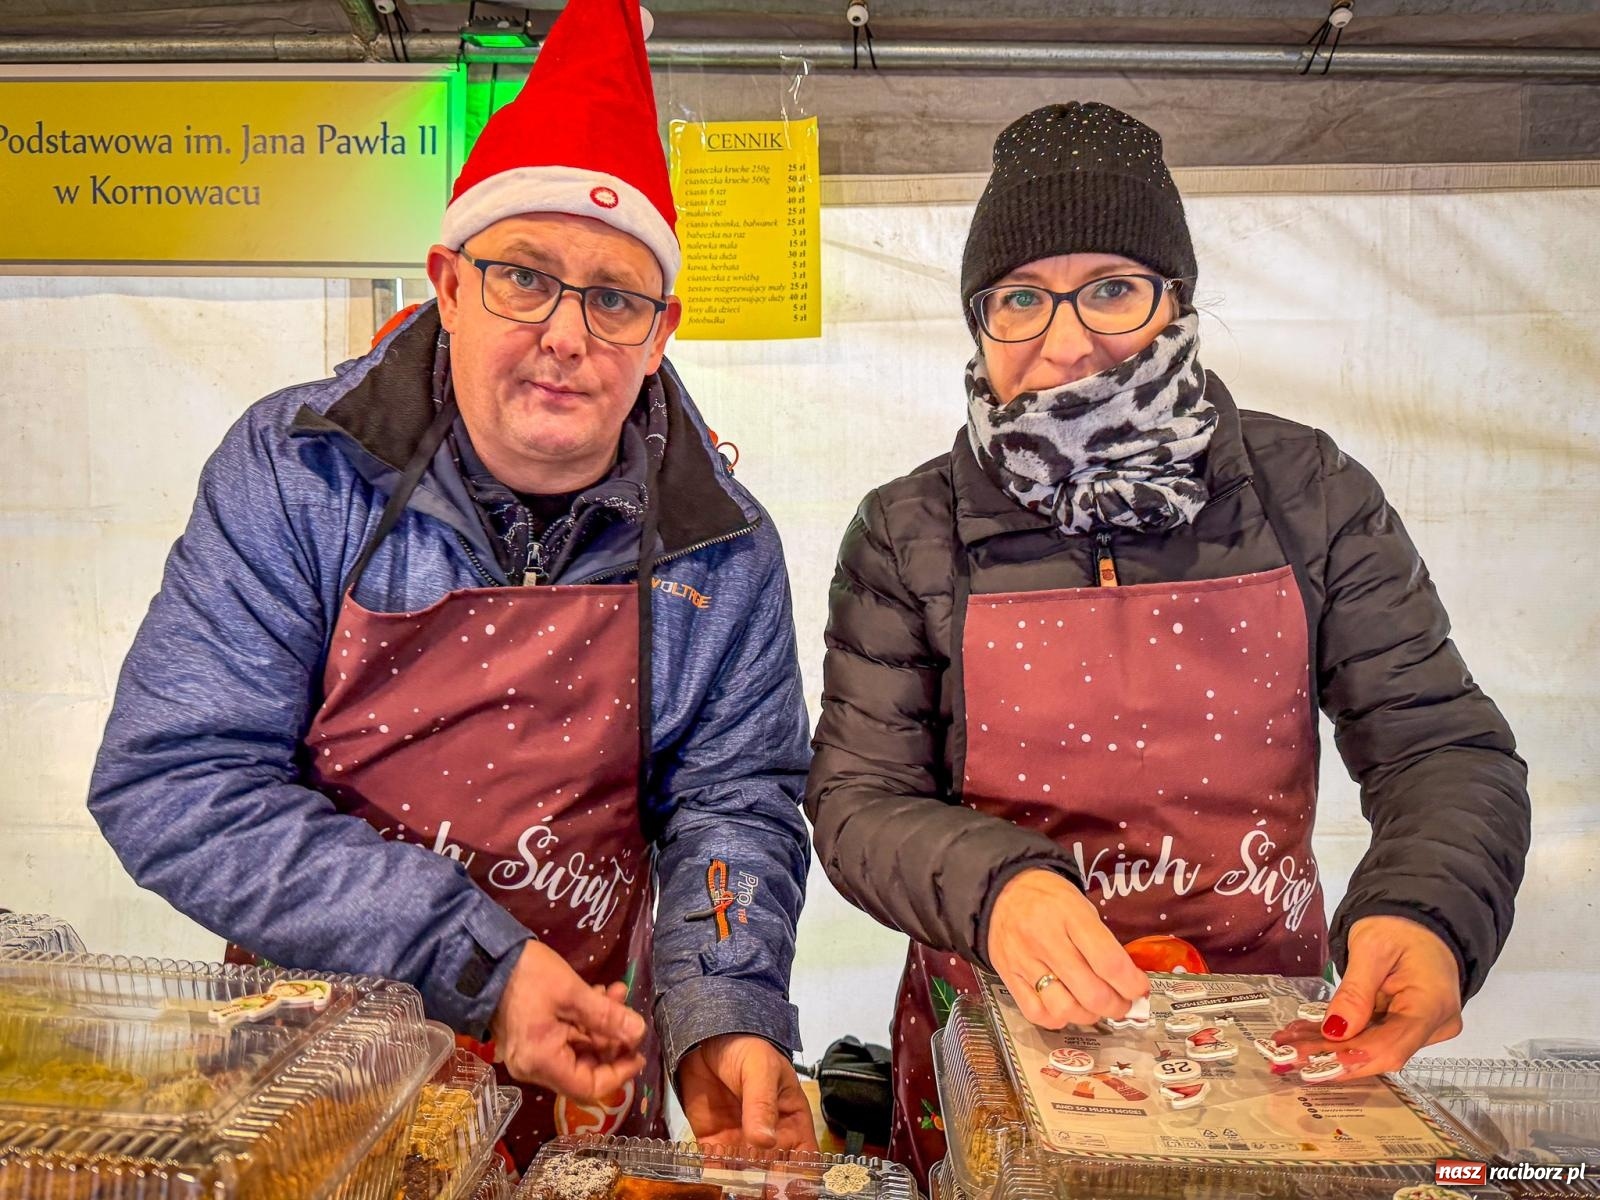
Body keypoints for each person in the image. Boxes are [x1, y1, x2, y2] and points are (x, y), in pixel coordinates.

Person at [88, 0, 816, 1164]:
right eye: (524, 276)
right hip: (306, 1070)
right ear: (449, 279)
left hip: (588, 1070)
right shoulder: (300, 471)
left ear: (661, 328)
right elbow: (175, 781)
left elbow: (733, 802)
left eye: (614, 296)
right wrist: (470, 956)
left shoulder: (719, 545)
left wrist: (723, 1015)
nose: (567, 333)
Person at [805, 101, 1529, 1183]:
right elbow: (857, 798)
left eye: (1110, 290)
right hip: (1000, 1063)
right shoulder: (911, 529)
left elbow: (1437, 744)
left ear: (1176, 302)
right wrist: (1000, 886)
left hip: (1266, 1054)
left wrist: (1425, 913)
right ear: (978, 321)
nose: (1063, 342)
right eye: (1020, 299)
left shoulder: (1305, 492)